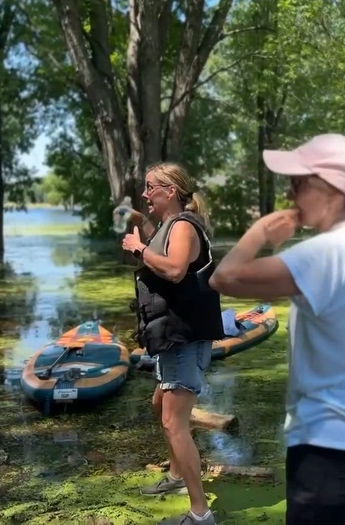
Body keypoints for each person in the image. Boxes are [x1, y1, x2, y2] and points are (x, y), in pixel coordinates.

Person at [208, 133, 345, 525]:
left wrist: (261, 233)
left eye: (298, 183)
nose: (291, 195)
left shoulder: (325, 254)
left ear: (331, 190)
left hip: (330, 451)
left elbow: (224, 277)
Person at [120, 162, 224, 525]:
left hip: (185, 335)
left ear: (170, 191)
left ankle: (200, 515)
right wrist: (141, 225)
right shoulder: (171, 225)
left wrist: (136, 248)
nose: (145, 194)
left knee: (173, 422)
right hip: (174, 337)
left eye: (150, 188)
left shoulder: (182, 226)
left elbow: (176, 269)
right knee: (160, 404)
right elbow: (162, 246)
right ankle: (178, 477)